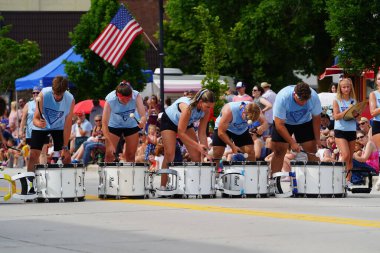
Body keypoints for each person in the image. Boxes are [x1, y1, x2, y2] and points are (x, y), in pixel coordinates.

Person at [26, 76, 74, 196]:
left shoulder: (70, 99)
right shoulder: (43, 95)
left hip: (59, 126)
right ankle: (30, 185)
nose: (57, 97)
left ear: (65, 91)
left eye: (60, 94)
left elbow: (68, 125)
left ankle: (66, 186)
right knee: (33, 155)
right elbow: (35, 119)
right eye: (55, 93)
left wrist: (65, 147)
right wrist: (39, 123)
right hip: (42, 125)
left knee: (66, 156)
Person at [160, 89, 215, 186]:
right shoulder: (187, 108)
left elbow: (202, 133)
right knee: (170, 154)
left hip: (186, 123)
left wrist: (206, 153)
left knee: (197, 156)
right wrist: (198, 146)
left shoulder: (206, 111)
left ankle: (196, 185)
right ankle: (163, 186)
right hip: (169, 122)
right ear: (201, 102)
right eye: (207, 107)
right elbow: (181, 133)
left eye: (210, 107)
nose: (208, 109)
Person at [270, 82, 321, 177]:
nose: (303, 103)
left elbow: (317, 118)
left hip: (304, 122)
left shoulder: (313, 96)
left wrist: (317, 139)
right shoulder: (283, 97)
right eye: (300, 99)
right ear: (294, 94)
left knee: (312, 150)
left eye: (306, 100)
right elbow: (279, 125)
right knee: (279, 151)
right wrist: (292, 142)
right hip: (284, 123)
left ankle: (316, 181)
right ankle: (272, 180)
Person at [213, 101, 268, 168]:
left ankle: (252, 174)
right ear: (243, 112)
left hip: (240, 130)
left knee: (250, 152)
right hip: (224, 129)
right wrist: (232, 146)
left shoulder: (256, 110)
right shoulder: (229, 110)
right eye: (247, 119)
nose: (247, 121)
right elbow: (221, 132)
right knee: (218, 153)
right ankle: (216, 172)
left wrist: (261, 128)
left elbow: (265, 124)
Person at [102, 81, 146, 162]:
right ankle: (108, 174)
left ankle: (129, 174)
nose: (126, 102)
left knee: (131, 155)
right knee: (109, 154)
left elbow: (143, 116)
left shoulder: (136, 96)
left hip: (131, 125)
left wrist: (142, 122)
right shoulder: (110, 99)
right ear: (117, 96)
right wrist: (110, 144)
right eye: (123, 99)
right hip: (114, 125)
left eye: (128, 99)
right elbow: (104, 124)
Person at [332, 78, 359, 188]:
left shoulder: (354, 100)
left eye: (348, 86)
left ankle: (348, 181)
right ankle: (337, 176)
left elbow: (358, 118)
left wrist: (356, 114)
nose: (346, 89)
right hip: (340, 130)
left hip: (351, 130)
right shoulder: (336, 100)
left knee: (350, 157)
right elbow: (336, 116)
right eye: (344, 87)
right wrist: (348, 110)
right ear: (340, 88)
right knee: (345, 154)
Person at [19, 86, 50, 166]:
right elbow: (23, 120)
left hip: (43, 131)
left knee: (42, 153)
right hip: (31, 133)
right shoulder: (28, 105)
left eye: (37, 92)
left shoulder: (46, 104)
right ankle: (31, 173)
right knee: (31, 154)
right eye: (34, 93)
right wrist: (20, 131)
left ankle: (43, 174)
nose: (35, 94)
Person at [369, 71, 380, 148]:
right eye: (379, 79)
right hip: (378, 124)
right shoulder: (373, 94)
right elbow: (372, 113)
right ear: (376, 81)